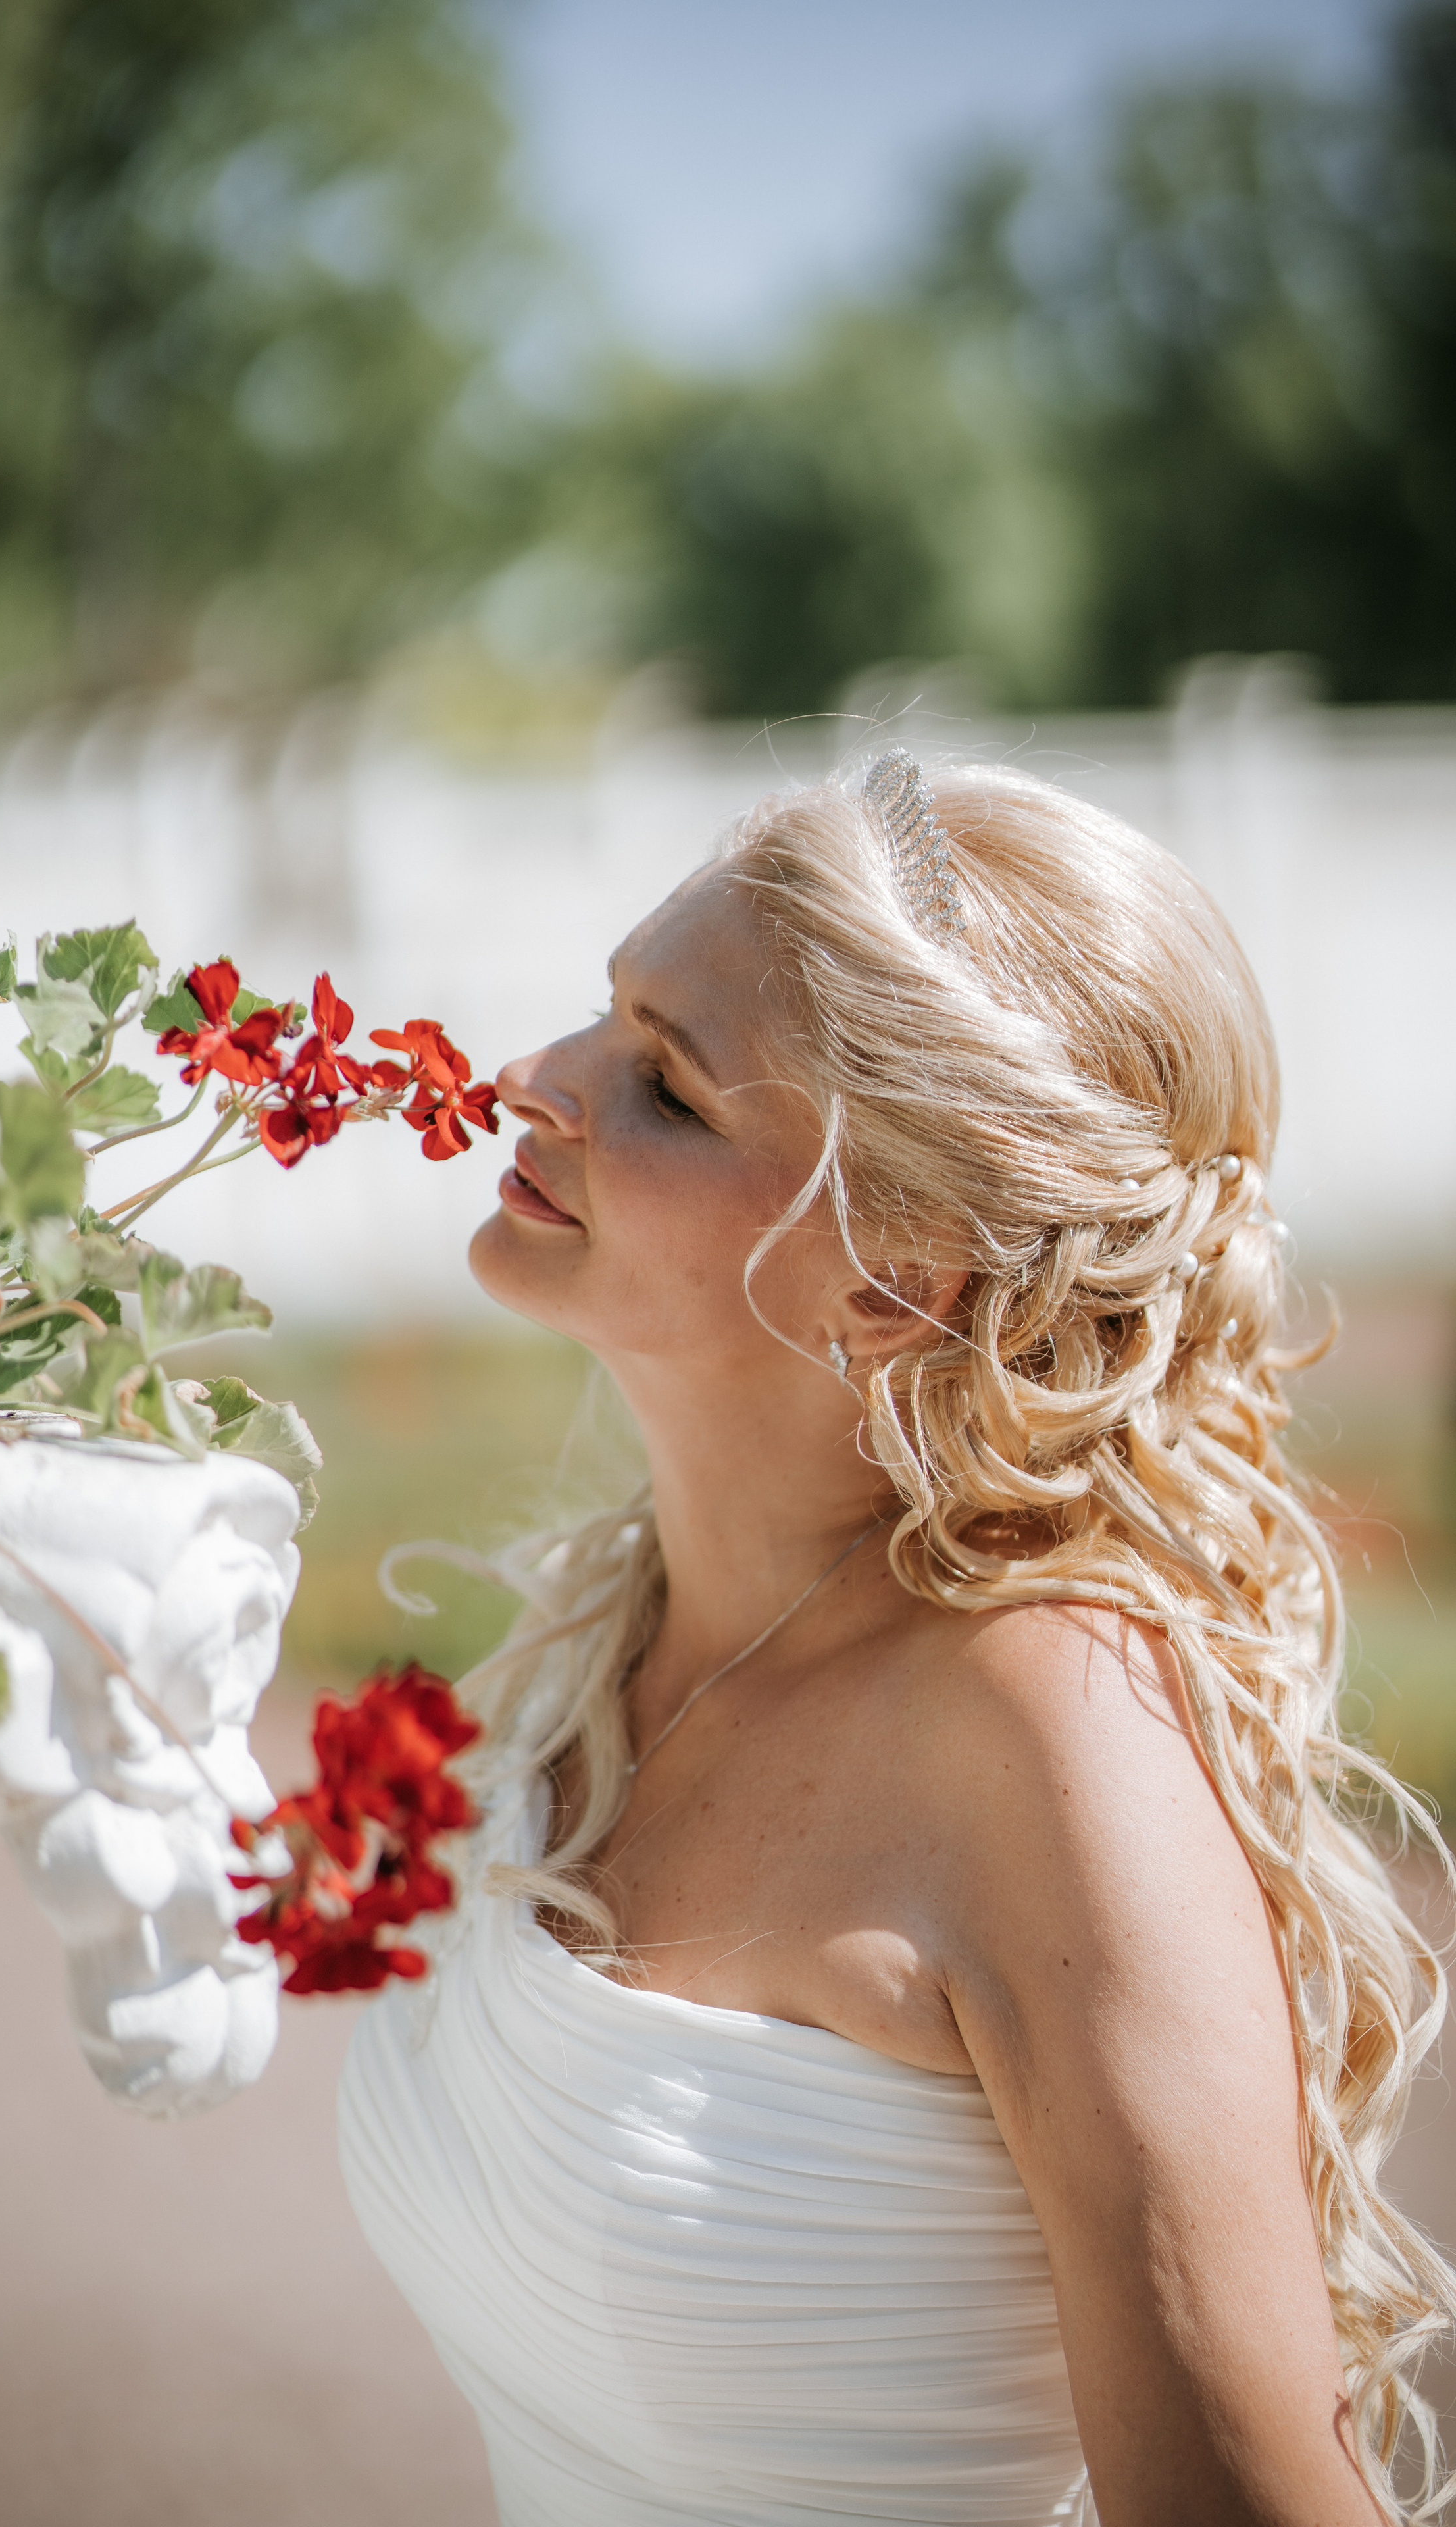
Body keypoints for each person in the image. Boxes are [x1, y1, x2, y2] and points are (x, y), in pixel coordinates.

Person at [338, 753, 1454, 2526]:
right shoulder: (610, 1631)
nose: (530, 1082)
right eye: (602, 1014)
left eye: (669, 1087)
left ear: (895, 1270)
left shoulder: (1050, 1736)